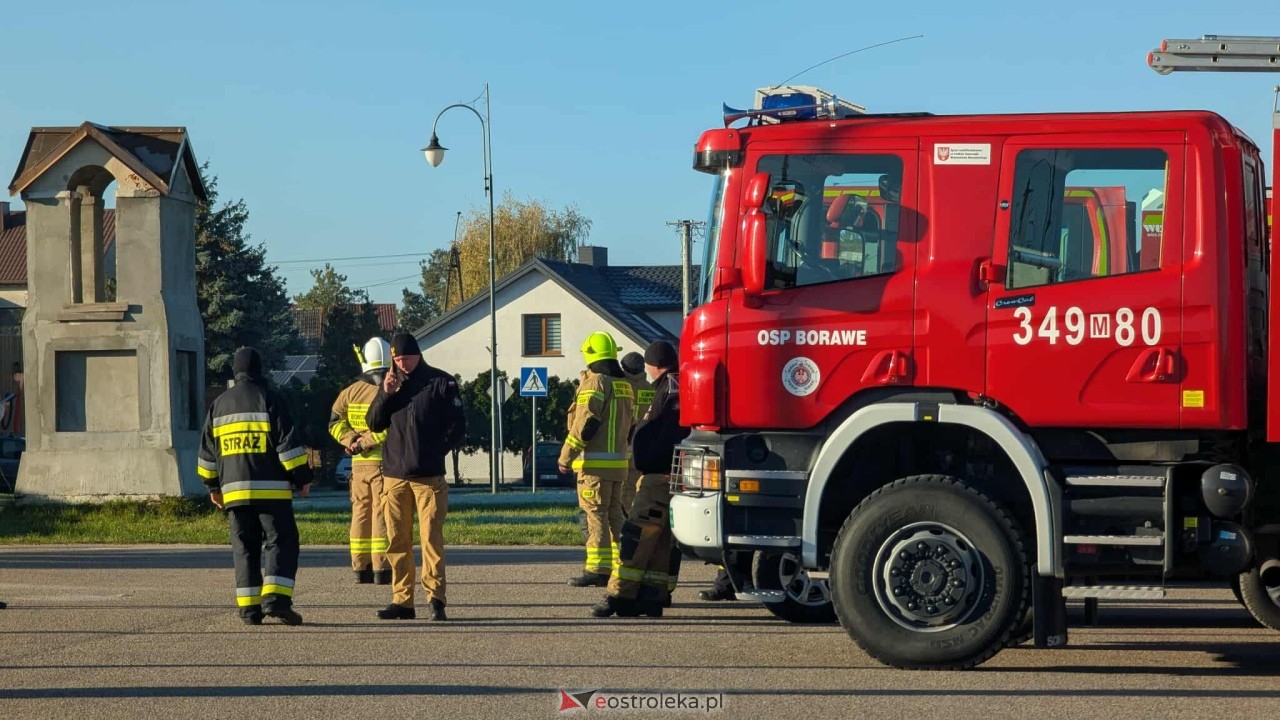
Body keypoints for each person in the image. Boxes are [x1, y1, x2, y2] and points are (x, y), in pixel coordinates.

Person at [198, 346, 312, 626]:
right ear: (259, 370)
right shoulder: (270, 399)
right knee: (281, 541)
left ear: (235, 372)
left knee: (244, 548)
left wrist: (212, 486)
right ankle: (276, 600)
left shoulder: (219, 405)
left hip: (234, 493)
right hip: (271, 491)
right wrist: (302, 478)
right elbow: (287, 445)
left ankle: (250, 611)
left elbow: (206, 455)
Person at [366, 333, 465, 621]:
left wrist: (436, 453)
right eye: (396, 360)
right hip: (395, 476)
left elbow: (458, 427)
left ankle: (435, 599)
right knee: (397, 540)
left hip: (428, 477)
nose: (400, 364)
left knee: (431, 539)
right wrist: (386, 393)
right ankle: (402, 601)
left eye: (405, 358)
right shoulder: (391, 384)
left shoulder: (440, 382)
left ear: (417, 355)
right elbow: (373, 423)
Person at [591, 340, 687, 618]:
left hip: (657, 475)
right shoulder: (680, 386)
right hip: (676, 476)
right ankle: (652, 596)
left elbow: (659, 432)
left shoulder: (667, 390)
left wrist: (647, 460)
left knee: (636, 535)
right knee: (660, 541)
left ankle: (619, 596)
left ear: (654, 365)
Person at [560, 331, 633, 588]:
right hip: (617, 466)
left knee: (595, 515)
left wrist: (565, 456)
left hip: (594, 466)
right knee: (615, 515)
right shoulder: (623, 384)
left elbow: (586, 423)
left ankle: (597, 569)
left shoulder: (595, 383)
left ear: (589, 355)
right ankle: (622, 565)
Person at [329, 337, 392, 585]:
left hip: (357, 466)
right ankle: (382, 569)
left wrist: (351, 440)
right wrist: (364, 442)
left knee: (360, 513)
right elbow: (391, 427)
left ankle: (360, 567)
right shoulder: (389, 390)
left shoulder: (348, 393)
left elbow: (333, 424)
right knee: (381, 514)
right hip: (383, 463)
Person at [619, 351, 654, 516]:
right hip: (646, 447)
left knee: (625, 490)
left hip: (625, 445)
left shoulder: (623, 387)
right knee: (640, 487)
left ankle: (628, 522)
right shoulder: (650, 388)